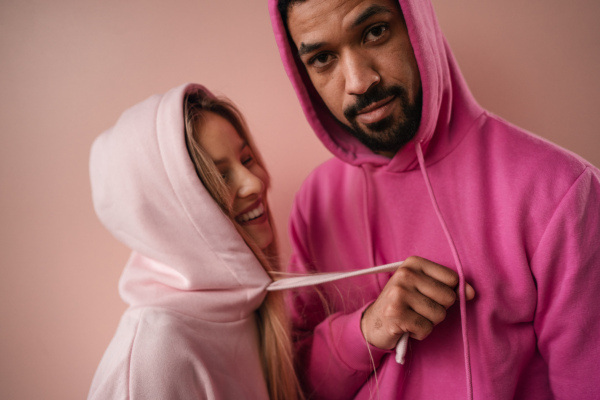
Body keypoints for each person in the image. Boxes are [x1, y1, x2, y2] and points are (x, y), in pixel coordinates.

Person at [269, 0, 600, 399]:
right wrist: (366, 330)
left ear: (416, 23)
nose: (359, 81)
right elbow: (293, 383)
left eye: (375, 32)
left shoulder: (561, 189)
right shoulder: (316, 201)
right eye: (323, 58)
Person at [87, 83, 304, 400]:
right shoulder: (152, 360)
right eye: (220, 176)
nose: (255, 182)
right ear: (168, 212)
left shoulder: (246, 309)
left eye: (245, 160)